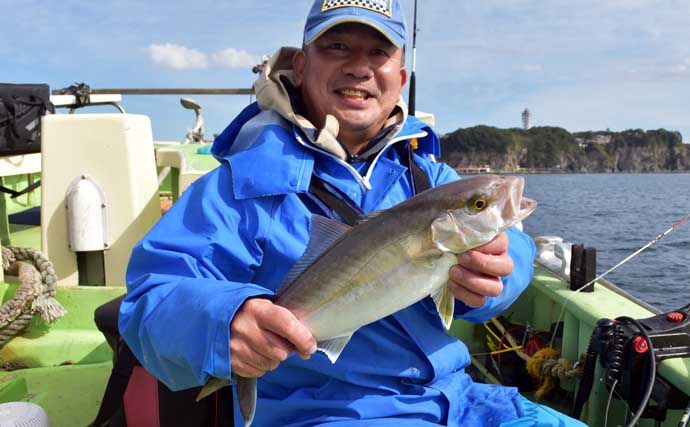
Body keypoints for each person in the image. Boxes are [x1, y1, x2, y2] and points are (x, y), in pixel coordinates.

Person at [120, 1, 585, 426]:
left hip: (463, 402)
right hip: (324, 412)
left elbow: (514, 248)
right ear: (300, 67)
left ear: (399, 78)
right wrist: (223, 320)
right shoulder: (239, 186)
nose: (359, 68)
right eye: (337, 46)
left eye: (378, 53)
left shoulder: (426, 173)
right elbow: (149, 300)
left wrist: (502, 272)